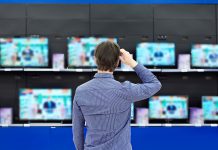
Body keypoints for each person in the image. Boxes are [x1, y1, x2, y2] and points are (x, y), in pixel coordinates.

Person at [73, 41, 162, 150]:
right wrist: (132, 62)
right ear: (117, 63)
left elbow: (77, 130)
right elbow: (155, 84)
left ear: (95, 59)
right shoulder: (126, 90)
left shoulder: (81, 91)